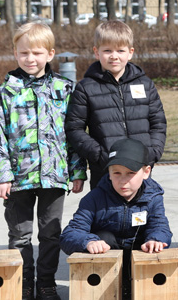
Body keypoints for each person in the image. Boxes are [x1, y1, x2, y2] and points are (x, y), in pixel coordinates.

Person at [0, 22, 86, 300]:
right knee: (20, 235)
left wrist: (77, 171)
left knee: (50, 234)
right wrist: (1, 175)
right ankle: (22, 285)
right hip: (18, 178)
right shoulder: (7, 91)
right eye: (24, 53)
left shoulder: (64, 89)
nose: (30, 59)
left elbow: (75, 133)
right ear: (15, 54)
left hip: (55, 176)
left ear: (50, 54)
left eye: (37, 53)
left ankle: (46, 283)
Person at [59, 138, 172, 300]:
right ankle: (111, 291)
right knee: (104, 236)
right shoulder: (95, 198)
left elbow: (160, 225)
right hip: (107, 266)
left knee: (151, 244)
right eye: (116, 173)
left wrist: (156, 239)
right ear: (109, 173)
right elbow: (69, 234)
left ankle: (136, 288)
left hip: (137, 257)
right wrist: (87, 242)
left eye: (130, 173)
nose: (123, 180)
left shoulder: (153, 198)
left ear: (146, 171)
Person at [65, 20, 167, 189]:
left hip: (140, 167)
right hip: (105, 169)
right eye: (107, 50)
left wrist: (152, 152)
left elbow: (158, 122)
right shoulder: (86, 88)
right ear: (97, 53)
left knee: (140, 213)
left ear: (130, 52)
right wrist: (99, 154)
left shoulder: (145, 84)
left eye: (120, 50)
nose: (114, 56)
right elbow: (74, 128)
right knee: (105, 213)